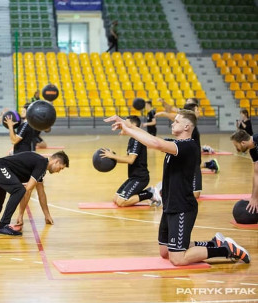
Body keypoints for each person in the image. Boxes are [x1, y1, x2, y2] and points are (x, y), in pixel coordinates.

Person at [105, 110, 250, 265]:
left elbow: (155, 143)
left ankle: (226, 250)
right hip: (170, 205)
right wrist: (125, 123)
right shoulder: (177, 145)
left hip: (182, 207)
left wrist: (128, 130)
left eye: (176, 121)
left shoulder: (188, 146)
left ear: (187, 126)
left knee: (177, 258)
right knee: (165, 251)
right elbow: (154, 139)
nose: (172, 123)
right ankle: (214, 243)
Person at [0, 151, 69, 236]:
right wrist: (20, 215)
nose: (59, 171)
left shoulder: (41, 169)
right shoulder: (41, 163)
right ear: (56, 161)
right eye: (61, 168)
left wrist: (47, 215)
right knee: (19, 189)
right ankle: (3, 226)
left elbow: (41, 194)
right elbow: (27, 190)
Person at [156, 101, 219, 198]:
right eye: (197, 110)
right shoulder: (187, 126)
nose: (199, 112)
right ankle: (162, 190)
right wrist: (164, 113)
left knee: (192, 191)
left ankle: (209, 164)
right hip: (191, 163)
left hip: (194, 160)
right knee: (195, 194)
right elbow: (175, 115)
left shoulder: (192, 125)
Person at [100, 116, 160, 207]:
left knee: (121, 202)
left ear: (133, 125)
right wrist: (112, 158)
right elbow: (128, 158)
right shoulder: (133, 139)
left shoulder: (136, 139)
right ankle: (147, 192)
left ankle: (150, 193)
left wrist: (113, 156)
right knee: (116, 199)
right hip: (133, 177)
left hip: (140, 178)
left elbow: (130, 160)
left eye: (125, 123)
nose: (123, 125)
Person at [230, 129, 258, 215]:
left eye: (236, 146)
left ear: (242, 143)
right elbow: (256, 173)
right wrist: (253, 197)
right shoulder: (253, 150)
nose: (237, 149)